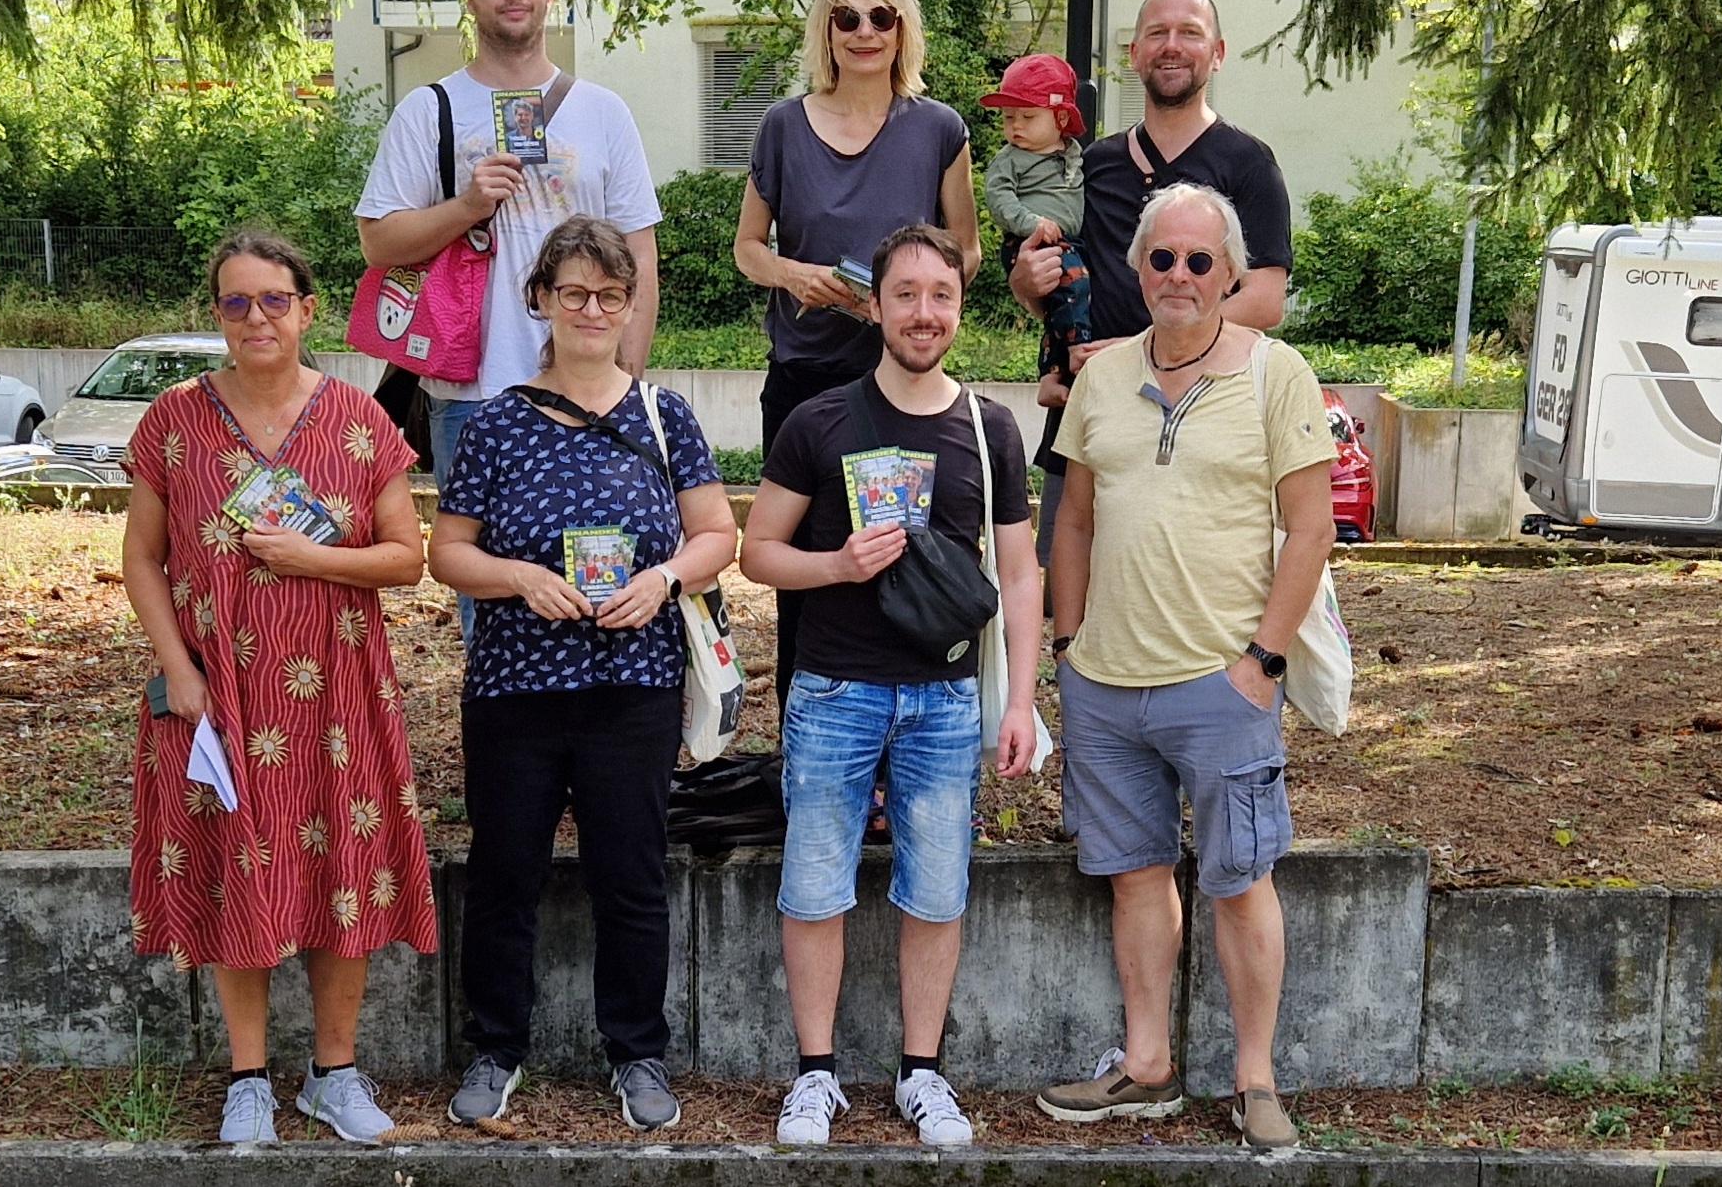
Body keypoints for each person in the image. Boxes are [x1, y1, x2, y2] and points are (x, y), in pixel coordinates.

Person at [1032, 186, 1336, 1149]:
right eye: (1162, 259)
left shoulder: (1277, 374)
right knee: (1134, 875)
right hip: (1107, 684)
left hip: (1223, 680)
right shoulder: (1099, 379)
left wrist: (1265, 660)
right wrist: (1067, 647)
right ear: (1137, 269)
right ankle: (1149, 1066)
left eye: (1199, 262)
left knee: (1241, 879)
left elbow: (1312, 529)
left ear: (1231, 274)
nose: (1179, 277)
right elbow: (1072, 516)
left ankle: (1255, 1081)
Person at [121, 230, 436, 1145]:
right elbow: (142, 558)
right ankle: (249, 1078)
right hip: (220, 700)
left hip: (337, 700)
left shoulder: (358, 419)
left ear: (307, 310)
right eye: (235, 303)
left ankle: (333, 1074)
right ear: (216, 317)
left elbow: (406, 559)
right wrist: (179, 670)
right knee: (235, 872)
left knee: (341, 870)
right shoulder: (174, 420)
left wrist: (311, 556)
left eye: (273, 300)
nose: (256, 317)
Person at [429, 216, 738, 1133]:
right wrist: (518, 578)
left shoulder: (662, 414)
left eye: (609, 294)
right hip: (516, 689)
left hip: (632, 687)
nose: (592, 309)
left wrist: (663, 578)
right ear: (540, 301)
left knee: (630, 875)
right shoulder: (494, 425)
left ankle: (637, 1052)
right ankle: (496, 1048)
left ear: (629, 302)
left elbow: (718, 534)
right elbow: (448, 553)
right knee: (504, 873)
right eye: (573, 293)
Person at [740, 224, 1040, 1148]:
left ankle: (922, 1075)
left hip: (946, 697)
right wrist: (837, 565)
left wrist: (1022, 700)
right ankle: (816, 1075)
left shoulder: (990, 430)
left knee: (938, 890)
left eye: (940, 295)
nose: (923, 312)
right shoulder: (819, 421)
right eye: (904, 293)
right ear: (873, 304)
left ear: (961, 306)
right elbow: (758, 553)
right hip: (834, 691)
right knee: (815, 884)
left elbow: (1022, 574)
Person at [356, 0, 663, 641]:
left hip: (591, 383)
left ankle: (599, 724)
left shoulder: (602, 111)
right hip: (473, 387)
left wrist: (629, 376)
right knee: (487, 588)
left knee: (603, 563)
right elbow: (378, 243)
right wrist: (466, 204)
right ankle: (504, 732)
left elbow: (640, 254)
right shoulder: (428, 108)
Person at [733, 0, 982, 715]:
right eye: (847, 18)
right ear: (827, 32)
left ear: (904, 28)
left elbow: (964, 251)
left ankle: (909, 738)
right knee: (805, 565)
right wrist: (793, 276)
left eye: (882, 17)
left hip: (906, 386)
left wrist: (912, 304)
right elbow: (748, 248)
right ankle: (807, 737)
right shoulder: (783, 125)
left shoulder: (939, 129)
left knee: (907, 559)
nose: (865, 32)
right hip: (807, 380)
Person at [1011, 0, 1294, 568]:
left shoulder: (1248, 164)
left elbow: (1265, 301)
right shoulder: (1090, 166)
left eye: (1190, 32)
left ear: (1216, 53)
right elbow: (1051, 288)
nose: (1173, 46)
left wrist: (1139, 349)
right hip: (1088, 420)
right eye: (1157, 34)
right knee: (1072, 597)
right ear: (1134, 54)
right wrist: (1027, 284)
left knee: (1183, 598)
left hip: (1199, 428)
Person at [978, 53, 1090, 410]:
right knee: (1074, 286)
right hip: (1030, 241)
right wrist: (1031, 222)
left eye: (1027, 117)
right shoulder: (1010, 158)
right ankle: (1078, 349)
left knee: (1061, 305)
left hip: (1069, 240)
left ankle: (1050, 376)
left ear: (1060, 118)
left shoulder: (1073, 155)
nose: (1015, 127)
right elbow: (997, 197)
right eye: (1009, 118)